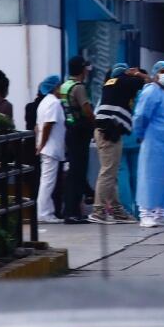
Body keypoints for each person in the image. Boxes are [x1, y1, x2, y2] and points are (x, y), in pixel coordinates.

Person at [89, 63, 146, 224]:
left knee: (111, 172)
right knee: (108, 172)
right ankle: (98, 210)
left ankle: (116, 209)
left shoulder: (110, 84)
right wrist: (137, 74)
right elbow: (147, 81)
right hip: (110, 131)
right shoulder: (124, 82)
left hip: (104, 130)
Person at [133, 61, 164, 228]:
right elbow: (140, 116)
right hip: (153, 141)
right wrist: (139, 134)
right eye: (163, 71)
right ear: (155, 73)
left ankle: (161, 211)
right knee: (149, 177)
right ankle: (145, 212)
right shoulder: (151, 91)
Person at [58, 56, 95, 224]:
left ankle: (70, 210)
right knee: (78, 173)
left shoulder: (65, 86)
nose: (87, 71)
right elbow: (87, 110)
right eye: (86, 68)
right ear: (81, 69)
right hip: (80, 132)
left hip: (70, 130)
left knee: (73, 172)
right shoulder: (79, 88)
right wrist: (96, 121)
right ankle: (73, 213)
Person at [34, 75, 65, 224]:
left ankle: (47, 211)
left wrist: (39, 143)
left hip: (46, 147)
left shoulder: (43, 102)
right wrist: (42, 144)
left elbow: (37, 127)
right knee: (47, 182)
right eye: (59, 86)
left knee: (46, 181)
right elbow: (48, 125)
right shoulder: (54, 103)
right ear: (55, 87)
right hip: (50, 148)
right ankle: (44, 213)